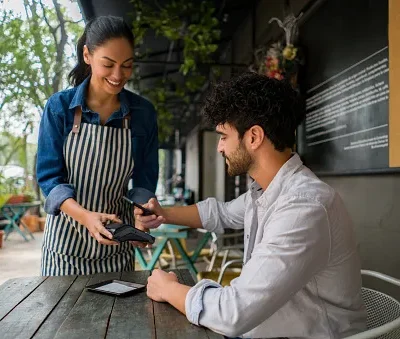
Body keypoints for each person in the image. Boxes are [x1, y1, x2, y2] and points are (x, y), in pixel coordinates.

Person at [135, 73, 366, 338]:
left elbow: (233, 313)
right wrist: (163, 214)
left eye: (223, 136)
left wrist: (168, 289)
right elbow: (220, 213)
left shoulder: (303, 207)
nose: (220, 148)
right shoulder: (267, 192)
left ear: (254, 136)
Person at [36, 16, 158, 276]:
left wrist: (142, 216)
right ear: (87, 56)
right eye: (108, 64)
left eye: (127, 66)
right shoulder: (59, 108)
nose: (118, 75)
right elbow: (49, 180)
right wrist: (86, 217)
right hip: (65, 250)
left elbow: (143, 182)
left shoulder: (143, 113)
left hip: (117, 249)